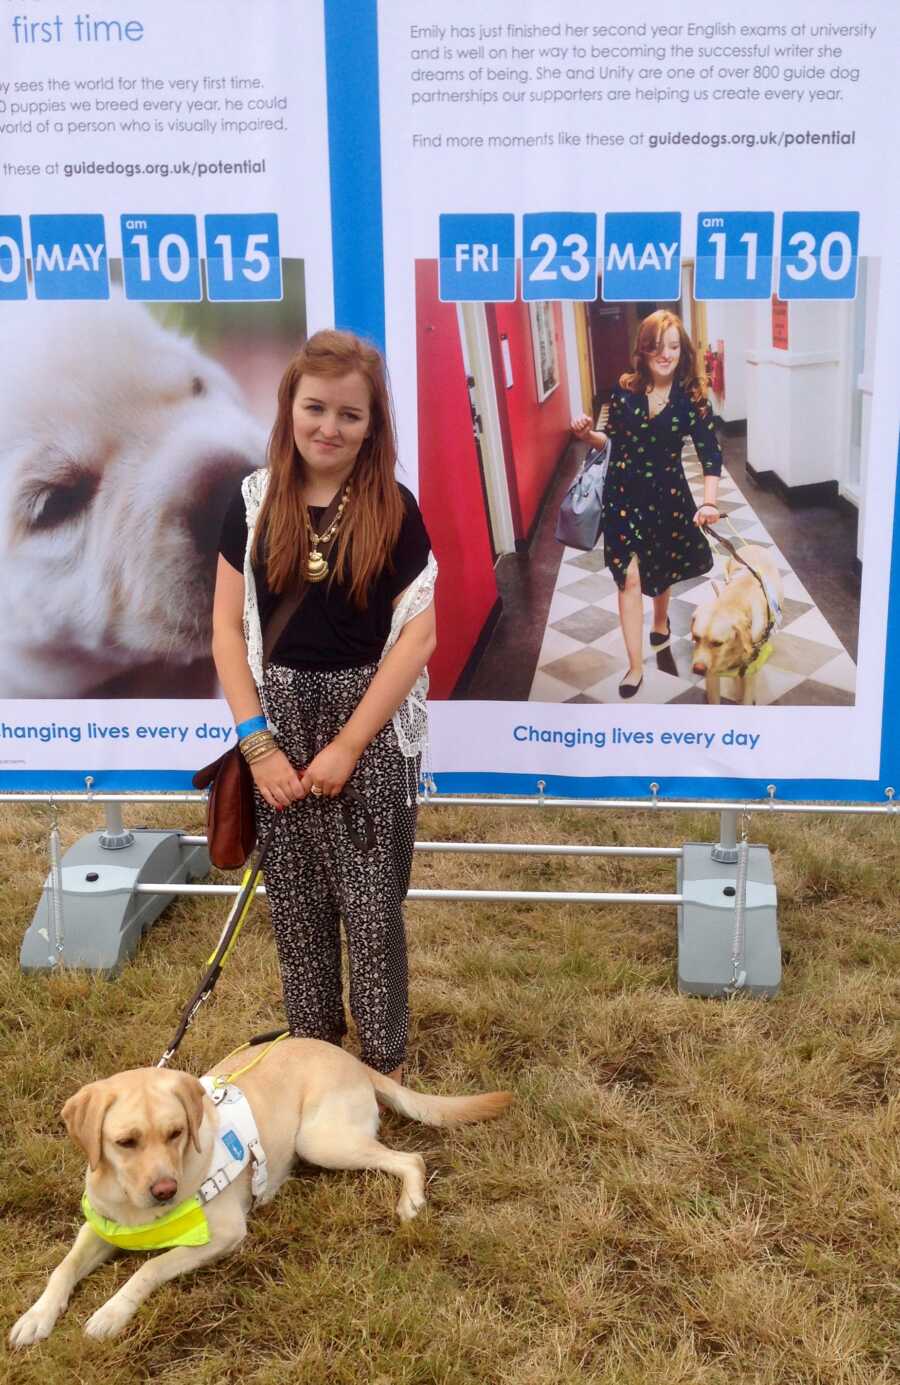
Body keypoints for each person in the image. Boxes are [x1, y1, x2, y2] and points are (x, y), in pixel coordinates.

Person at [212, 329, 437, 1082]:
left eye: (350, 415)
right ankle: (313, 1062)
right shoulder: (249, 502)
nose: (329, 428)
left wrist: (347, 745)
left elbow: (416, 638)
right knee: (299, 909)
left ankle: (382, 1070)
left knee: (372, 910)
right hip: (276, 717)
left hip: (365, 715)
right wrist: (258, 746)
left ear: (373, 425)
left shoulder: (395, 509)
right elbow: (225, 630)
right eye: (316, 408)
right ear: (290, 408)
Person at [571, 309, 722, 698]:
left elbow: (710, 455)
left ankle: (660, 621)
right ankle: (635, 666)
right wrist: (590, 436)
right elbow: (614, 443)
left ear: (682, 351)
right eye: (657, 346)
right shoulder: (624, 394)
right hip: (622, 497)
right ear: (644, 350)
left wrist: (709, 502)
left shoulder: (692, 400)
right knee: (630, 577)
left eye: (673, 346)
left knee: (662, 567)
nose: (665, 354)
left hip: (667, 497)